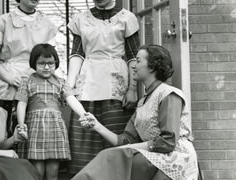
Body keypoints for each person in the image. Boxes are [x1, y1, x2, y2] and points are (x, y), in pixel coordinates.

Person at [73, 45, 199, 180]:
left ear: (152, 67)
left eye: (138, 61)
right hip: (156, 157)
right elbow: (124, 141)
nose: (134, 66)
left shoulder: (169, 95)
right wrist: (96, 125)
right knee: (109, 156)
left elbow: (167, 142)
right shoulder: (143, 103)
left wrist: (129, 148)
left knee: (116, 159)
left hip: (176, 159)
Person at [67, 0, 140, 173]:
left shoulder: (127, 18)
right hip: (88, 79)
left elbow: (133, 56)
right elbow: (77, 54)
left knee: (115, 134)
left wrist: (132, 88)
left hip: (115, 80)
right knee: (85, 135)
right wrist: (70, 83)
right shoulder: (81, 19)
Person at [0, 0, 57, 134]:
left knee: (35, 133)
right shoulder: (3, 22)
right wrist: (8, 77)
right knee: (6, 131)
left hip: (37, 82)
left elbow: (50, 60)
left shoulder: (48, 25)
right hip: (8, 83)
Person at [15, 44, 87, 180]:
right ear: (34, 64)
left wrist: (83, 114)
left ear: (56, 63)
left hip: (55, 130)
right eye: (42, 63)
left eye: (50, 63)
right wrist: (21, 124)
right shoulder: (27, 81)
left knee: (53, 172)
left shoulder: (61, 82)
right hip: (35, 131)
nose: (46, 67)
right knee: (37, 171)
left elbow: (71, 99)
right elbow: (22, 103)